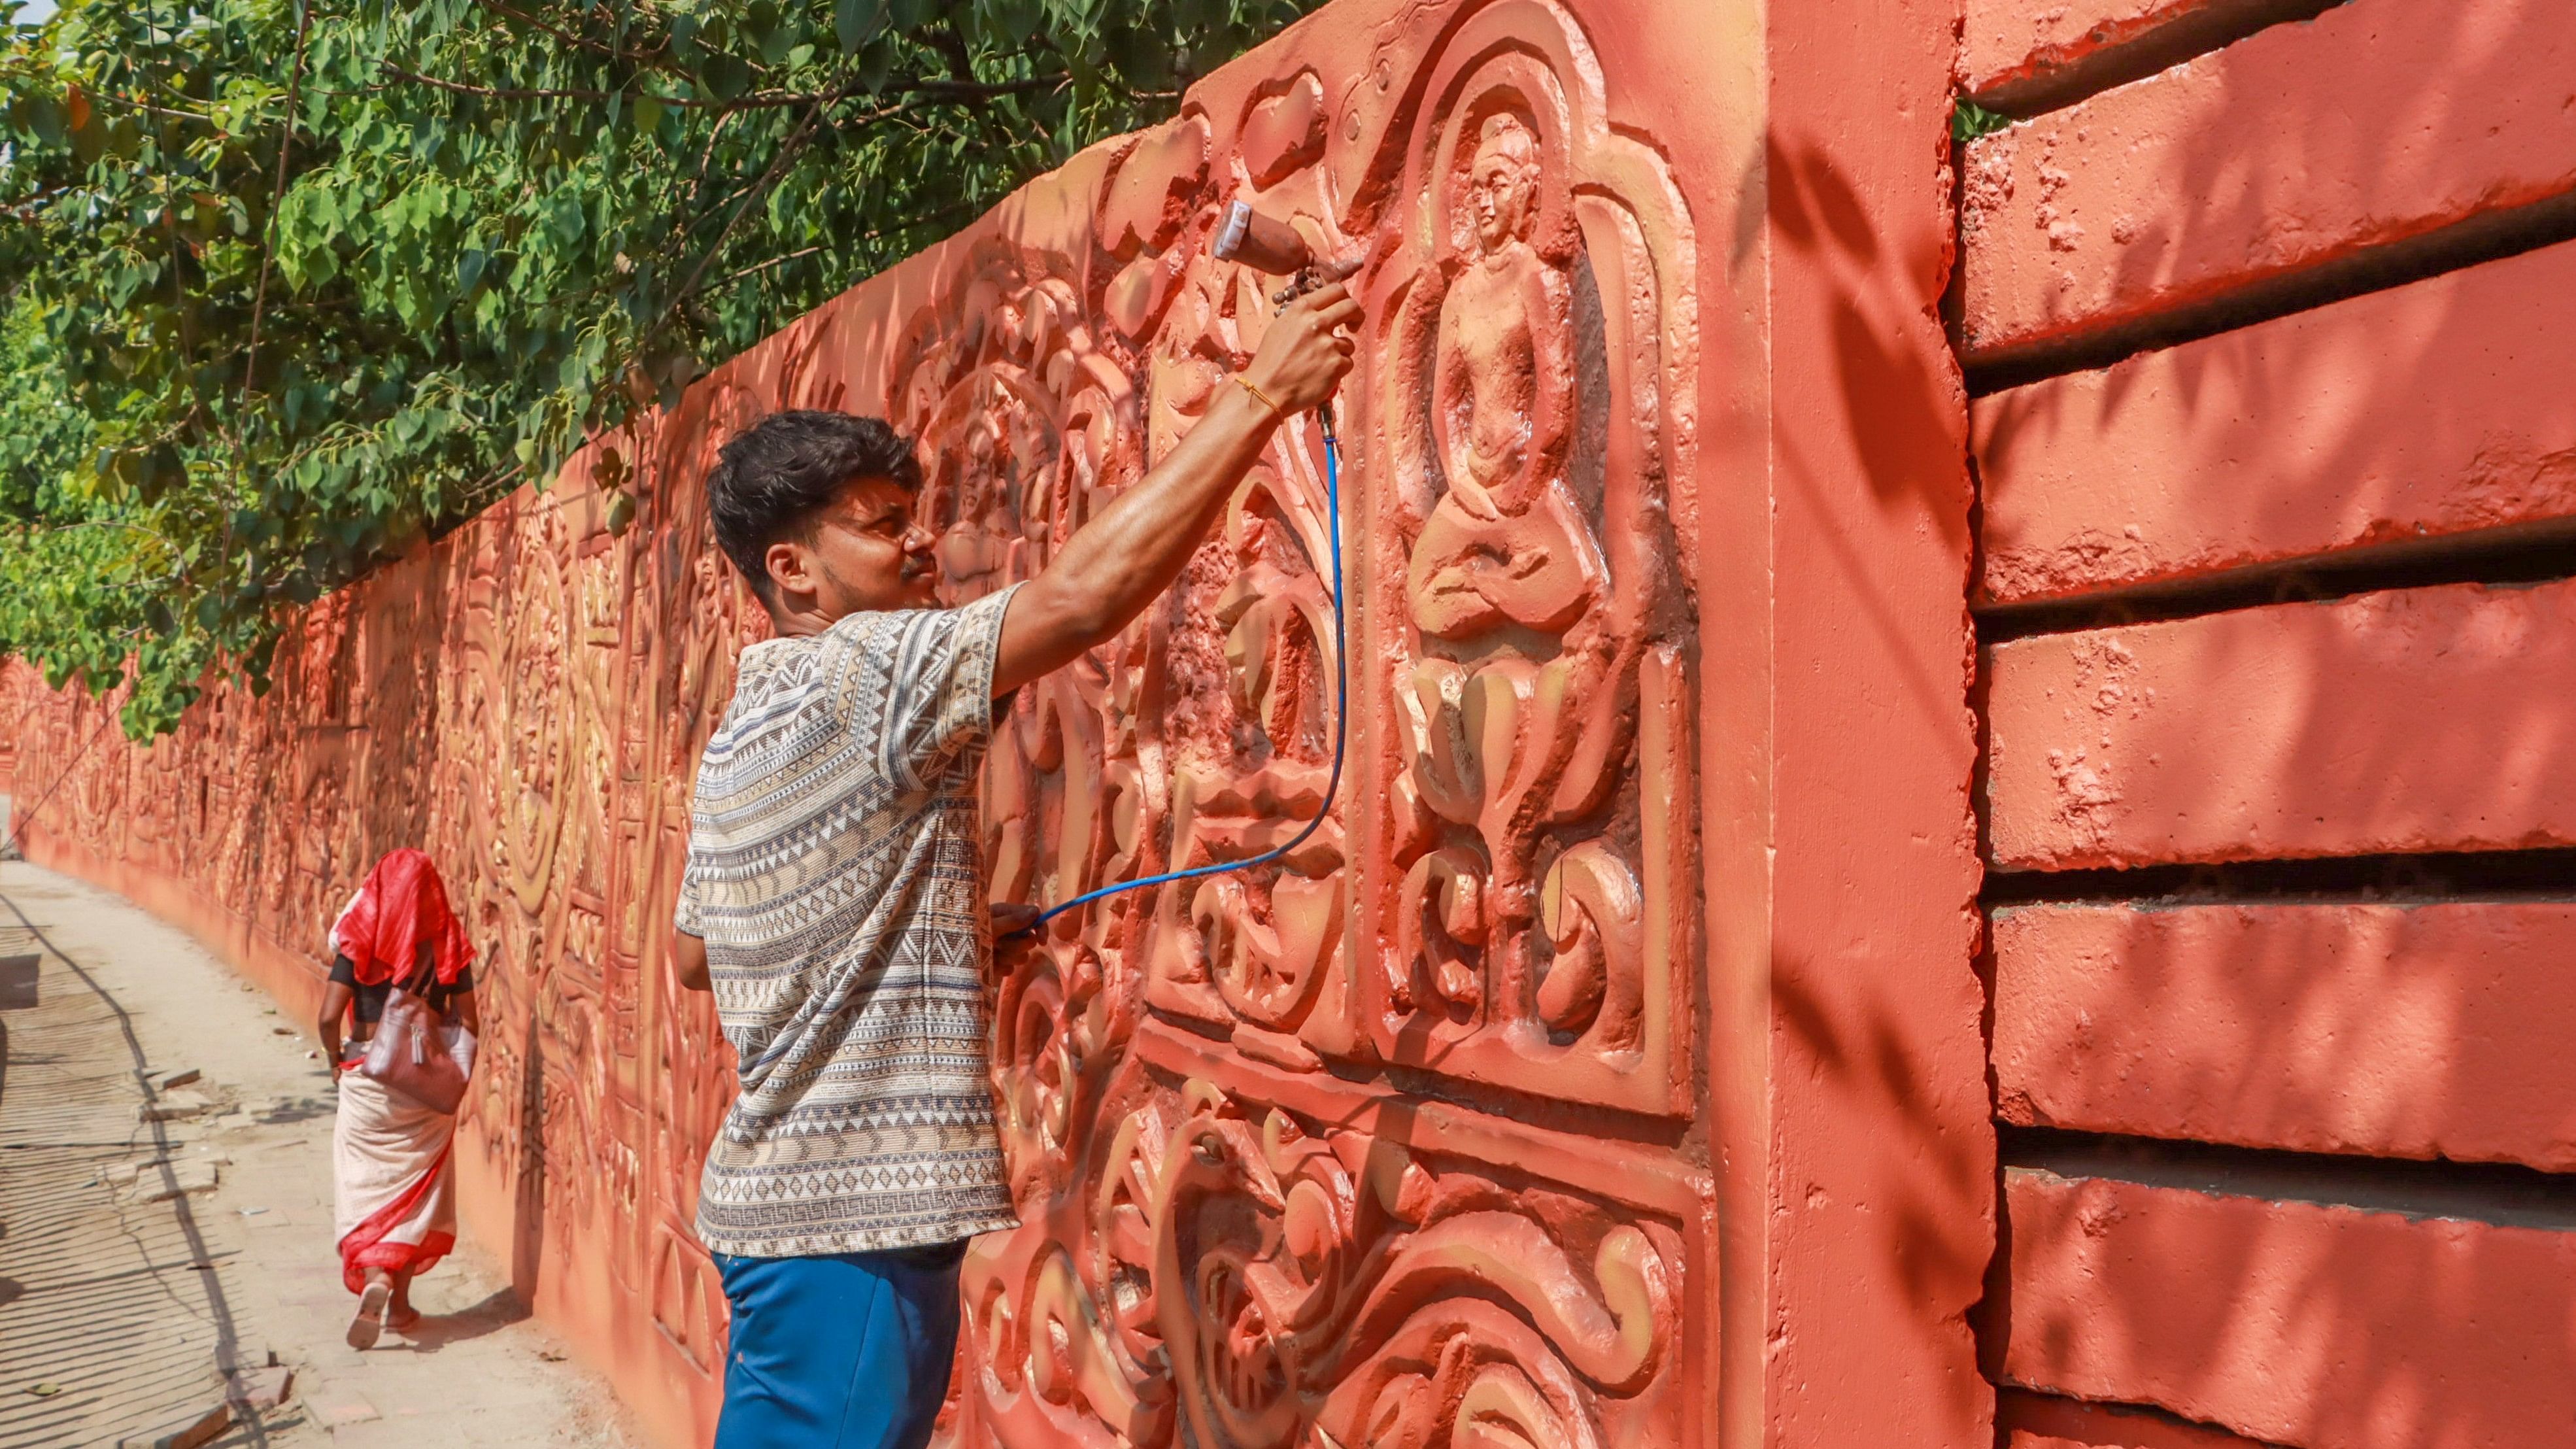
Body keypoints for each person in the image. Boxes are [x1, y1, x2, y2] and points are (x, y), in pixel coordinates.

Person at [669, 277, 1361, 1449]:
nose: (918, 539)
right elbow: (1084, 599)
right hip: (849, 1232)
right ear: (793, 571)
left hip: (786, 1223)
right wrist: (1261, 396)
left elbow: (698, 952)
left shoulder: (747, 718)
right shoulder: (863, 670)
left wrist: (924, 921)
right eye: (880, 524)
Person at [316, 847, 481, 1350]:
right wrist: (452, 1073)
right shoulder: (449, 941)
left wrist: (332, 1059)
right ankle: (401, 1302)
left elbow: (328, 1016)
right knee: (414, 1193)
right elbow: (469, 1022)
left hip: (366, 1076)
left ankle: (376, 1278)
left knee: (364, 1185)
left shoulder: (359, 931)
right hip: (422, 1089)